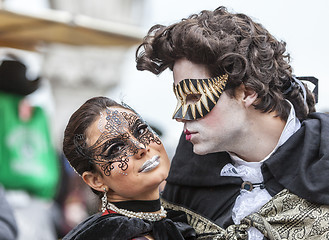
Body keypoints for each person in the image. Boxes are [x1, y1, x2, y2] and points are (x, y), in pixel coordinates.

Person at [136, 6, 329, 239]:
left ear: (247, 93)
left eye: (194, 97)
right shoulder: (187, 180)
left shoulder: (323, 159)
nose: (179, 115)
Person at [62, 96, 196, 240]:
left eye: (141, 130)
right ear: (96, 180)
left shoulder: (176, 220)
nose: (141, 147)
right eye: (117, 148)